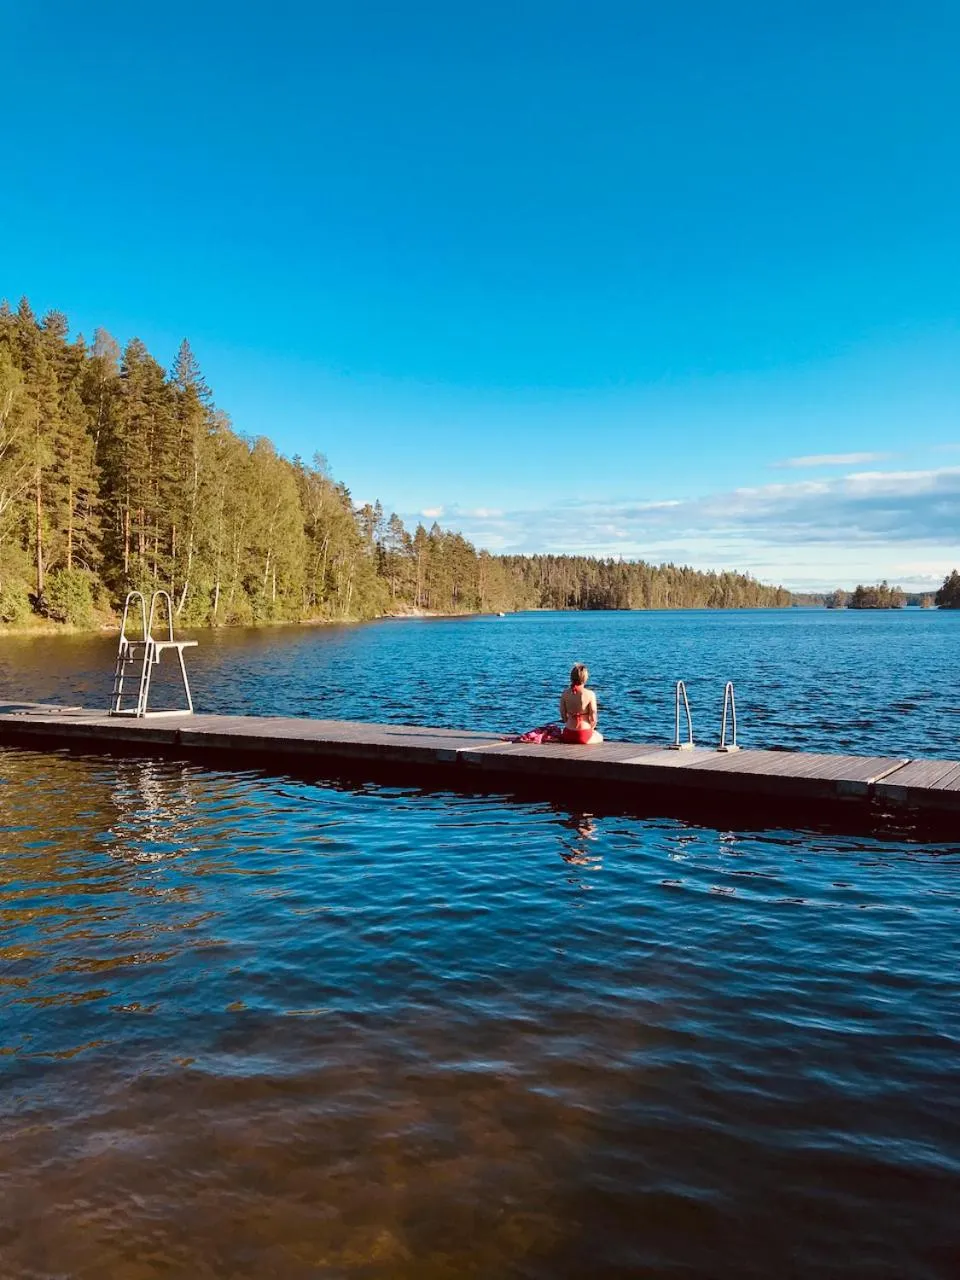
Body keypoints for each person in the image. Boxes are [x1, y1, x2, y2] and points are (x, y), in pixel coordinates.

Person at [559, 663, 603, 744]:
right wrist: (592, 728)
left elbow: (563, 715)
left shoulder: (565, 693)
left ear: (571, 677)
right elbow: (593, 714)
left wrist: (568, 722)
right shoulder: (590, 694)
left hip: (568, 733)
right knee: (600, 737)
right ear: (585, 678)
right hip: (584, 734)